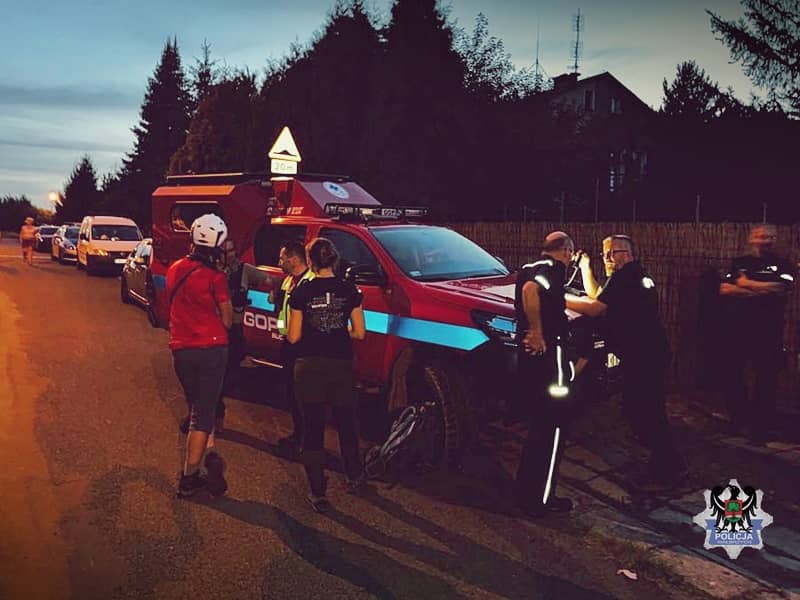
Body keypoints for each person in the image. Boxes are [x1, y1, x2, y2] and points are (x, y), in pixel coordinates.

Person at [567, 235, 686, 491]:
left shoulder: (625, 277)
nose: (608, 258)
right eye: (605, 254)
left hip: (644, 355)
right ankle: (663, 464)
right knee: (640, 409)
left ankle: (667, 471)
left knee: (646, 412)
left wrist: (558, 298)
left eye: (614, 252)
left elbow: (595, 308)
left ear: (628, 254)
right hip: (648, 353)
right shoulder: (634, 275)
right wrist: (586, 267)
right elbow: (600, 297)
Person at [287, 237, 366, 513]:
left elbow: (294, 337)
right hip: (340, 366)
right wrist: (338, 329)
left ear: (310, 261)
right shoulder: (349, 291)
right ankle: (354, 475)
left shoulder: (302, 292)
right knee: (347, 424)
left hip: (309, 367)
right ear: (334, 259)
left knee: (313, 429)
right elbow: (360, 332)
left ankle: (318, 491)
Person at [513, 231, 582, 519]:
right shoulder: (551, 269)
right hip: (551, 362)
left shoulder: (529, 266)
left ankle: (525, 493)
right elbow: (531, 290)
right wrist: (537, 330)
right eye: (571, 252)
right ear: (566, 250)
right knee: (553, 432)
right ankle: (541, 501)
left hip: (535, 365)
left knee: (538, 430)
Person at [169, 214, 232, 498]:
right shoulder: (215, 277)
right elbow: (227, 319)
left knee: (197, 405)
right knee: (203, 417)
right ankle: (189, 478)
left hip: (181, 350)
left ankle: (209, 452)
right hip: (212, 349)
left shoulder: (175, 269)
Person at [719, 224, 794, 441]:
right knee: (732, 373)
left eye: (768, 237)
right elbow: (725, 289)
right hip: (738, 329)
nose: (763, 240)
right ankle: (738, 419)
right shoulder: (739, 262)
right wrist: (762, 289)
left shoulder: (783, 264)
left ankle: (761, 425)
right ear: (751, 238)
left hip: (769, 330)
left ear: (774, 240)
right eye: (759, 236)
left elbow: (782, 288)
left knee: (766, 378)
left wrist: (746, 283)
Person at [275, 239, 315, 453]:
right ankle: (299, 435)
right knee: (291, 393)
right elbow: (282, 310)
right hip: (289, 344)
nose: (279, 262)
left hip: (304, 347)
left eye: (282, 258)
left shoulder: (311, 282)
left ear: (293, 259)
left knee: (303, 396)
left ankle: (305, 441)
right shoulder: (288, 281)